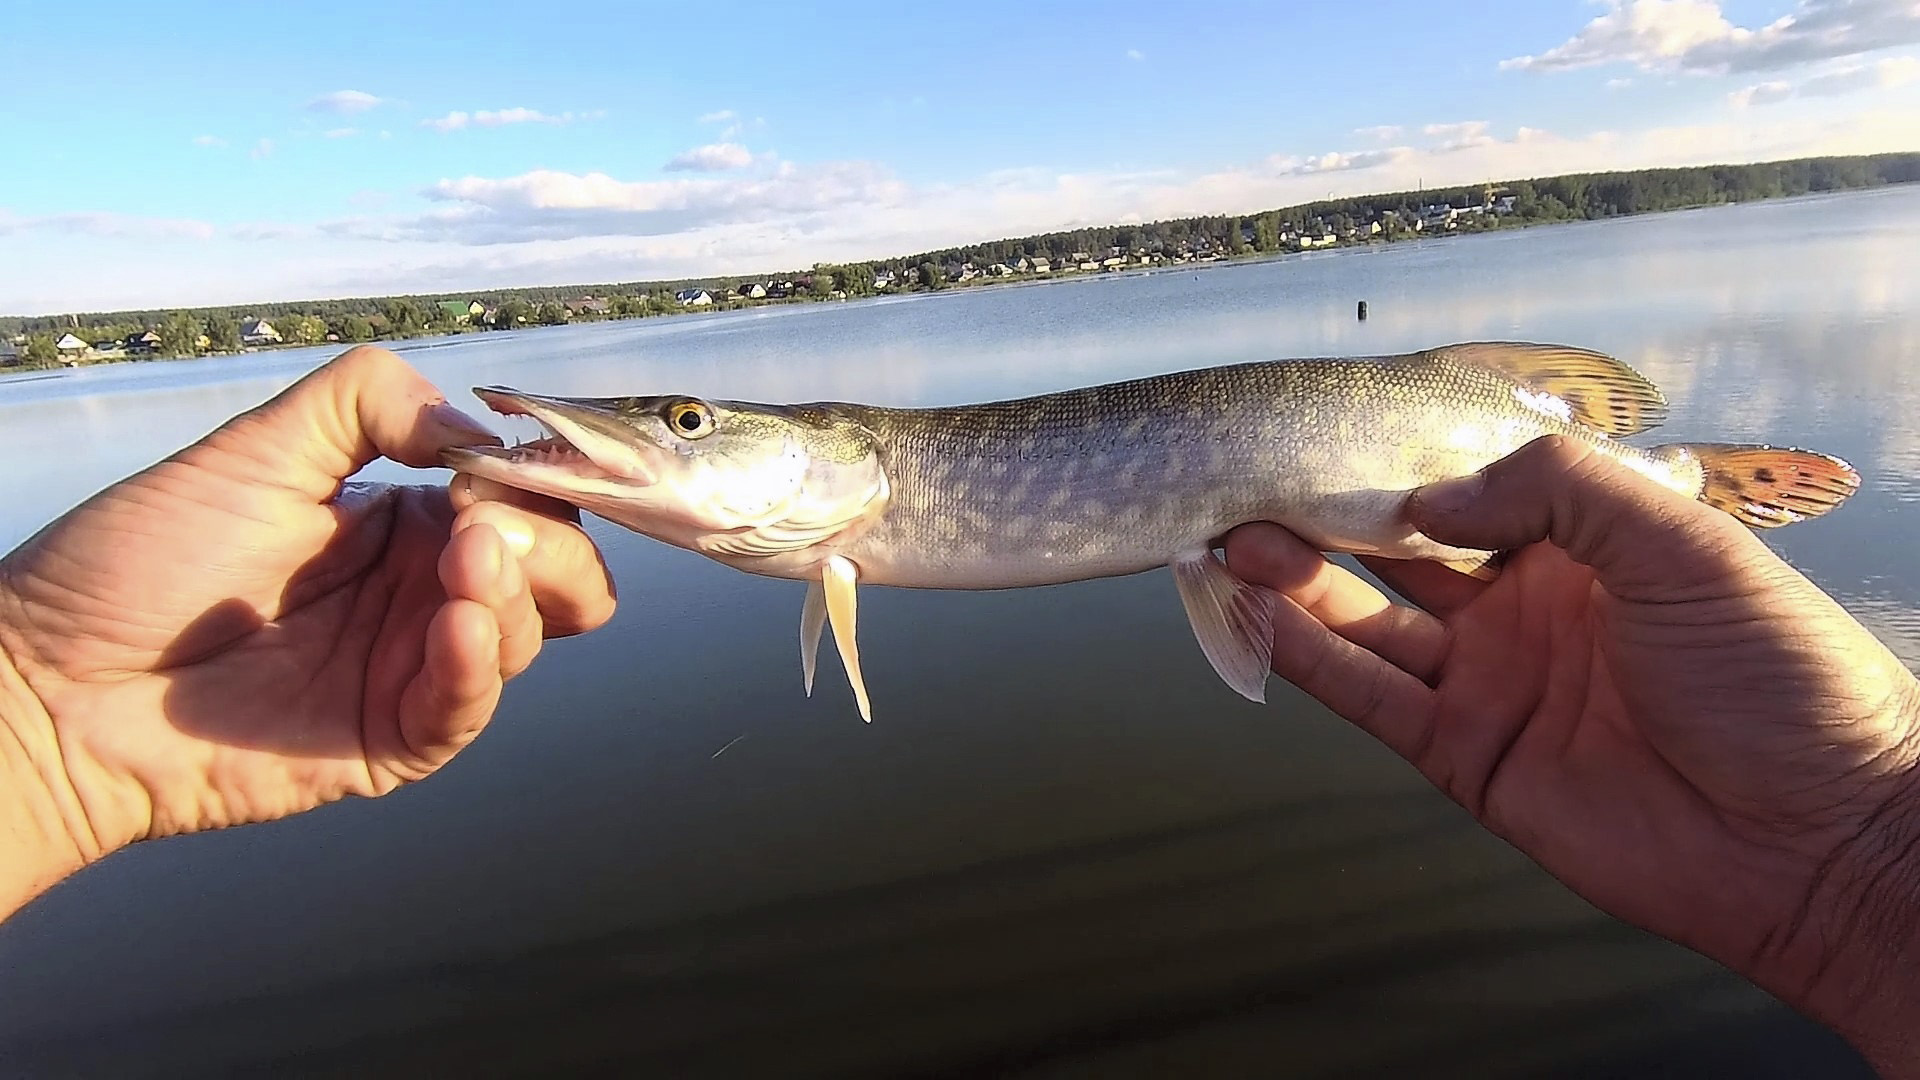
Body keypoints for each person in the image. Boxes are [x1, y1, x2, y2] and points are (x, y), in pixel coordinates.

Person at [0, 346, 1915, 1074]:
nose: (637, 441)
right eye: (664, 427)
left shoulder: (848, 497)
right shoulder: (845, 516)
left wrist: (1857, 854)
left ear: (808, 450)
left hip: (1462, 453)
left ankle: (1696, 494)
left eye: (681, 424)